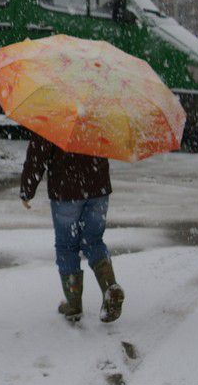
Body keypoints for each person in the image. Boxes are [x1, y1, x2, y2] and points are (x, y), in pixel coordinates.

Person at [20, 132, 124, 323]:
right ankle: (110, 287)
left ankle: (74, 304)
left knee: (67, 246)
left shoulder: (53, 118)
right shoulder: (98, 116)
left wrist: (27, 190)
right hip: (98, 186)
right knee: (93, 241)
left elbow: (37, 155)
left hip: (66, 190)